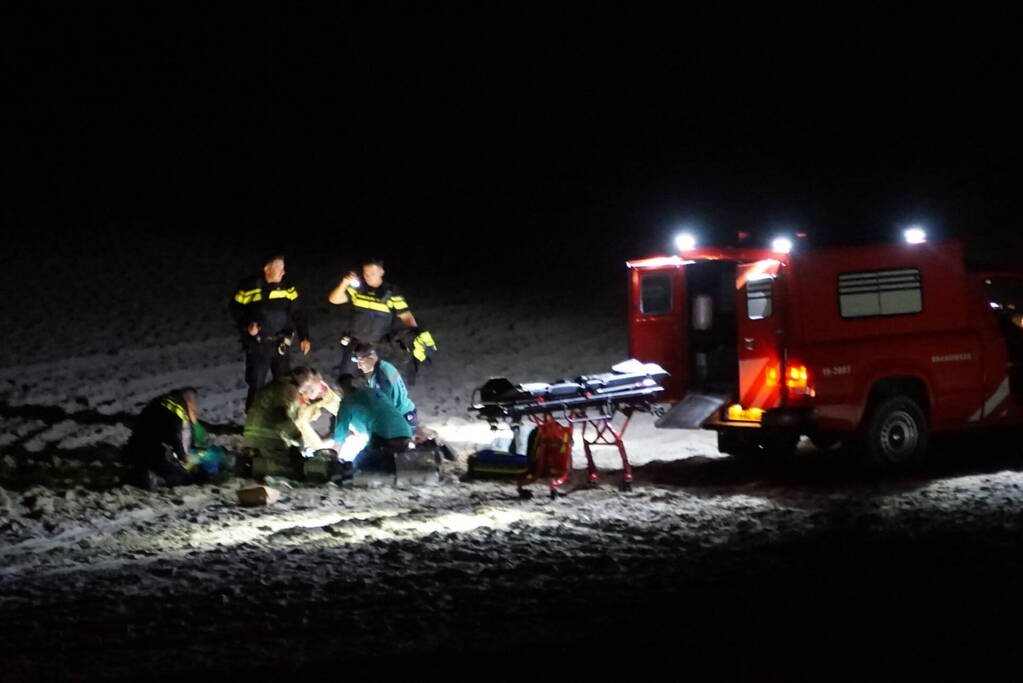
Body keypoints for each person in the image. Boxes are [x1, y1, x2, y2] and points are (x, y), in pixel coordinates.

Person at [230, 254, 311, 410]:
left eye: (283, 268)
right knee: (256, 385)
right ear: (267, 268)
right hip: (259, 346)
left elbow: (298, 313)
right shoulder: (249, 286)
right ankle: (251, 421)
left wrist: (304, 337)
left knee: (284, 384)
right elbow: (235, 310)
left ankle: (282, 419)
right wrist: (247, 327)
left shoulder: (288, 288)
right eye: (279, 268)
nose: (283, 272)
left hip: (281, 345)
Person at [327, 257, 418, 383]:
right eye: (366, 273)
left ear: (381, 272)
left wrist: (416, 338)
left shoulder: (391, 293)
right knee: (345, 379)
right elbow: (334, 299)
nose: (368, 276)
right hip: (355, 343)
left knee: (379, 381)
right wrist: (344, 283)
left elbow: (407, 317)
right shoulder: (358, 289)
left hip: (380, 345)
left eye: (372, 273)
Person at [241, 367, 340, 480]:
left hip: (258, 439)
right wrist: (296, 436)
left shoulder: (284, 386)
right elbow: (281, 416)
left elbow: (300, 422)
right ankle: (252, 467)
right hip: (266, 440)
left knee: (296, 463)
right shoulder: (288, 389)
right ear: (307, 384)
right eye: (315, 389)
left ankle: (252, 464)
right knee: (296, 470)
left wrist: (318, 448)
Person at [124, 388, 202, 489]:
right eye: (193, 403)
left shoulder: (160, 401)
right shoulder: (178, 408)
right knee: (184, 479)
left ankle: (141, 473)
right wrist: (182, 455)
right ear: (189, 400)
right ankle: (157, 479)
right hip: (157, 451)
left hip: (136, 447)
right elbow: (175, 433)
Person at [332, 385, 414, 473]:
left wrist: (332, 459)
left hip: (383, 432)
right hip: (406, 431)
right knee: (391, 461)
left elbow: (340, 435)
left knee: (358, 466)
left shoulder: (346, 401)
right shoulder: (374, 392)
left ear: (340, 393)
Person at [352, 340, 418, 429]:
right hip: (408, 413)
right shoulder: (385, 366)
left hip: (400, 420)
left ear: (371, 358)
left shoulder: (380, 377)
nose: (359, 366)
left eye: (361, 362)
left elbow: (386, 408)